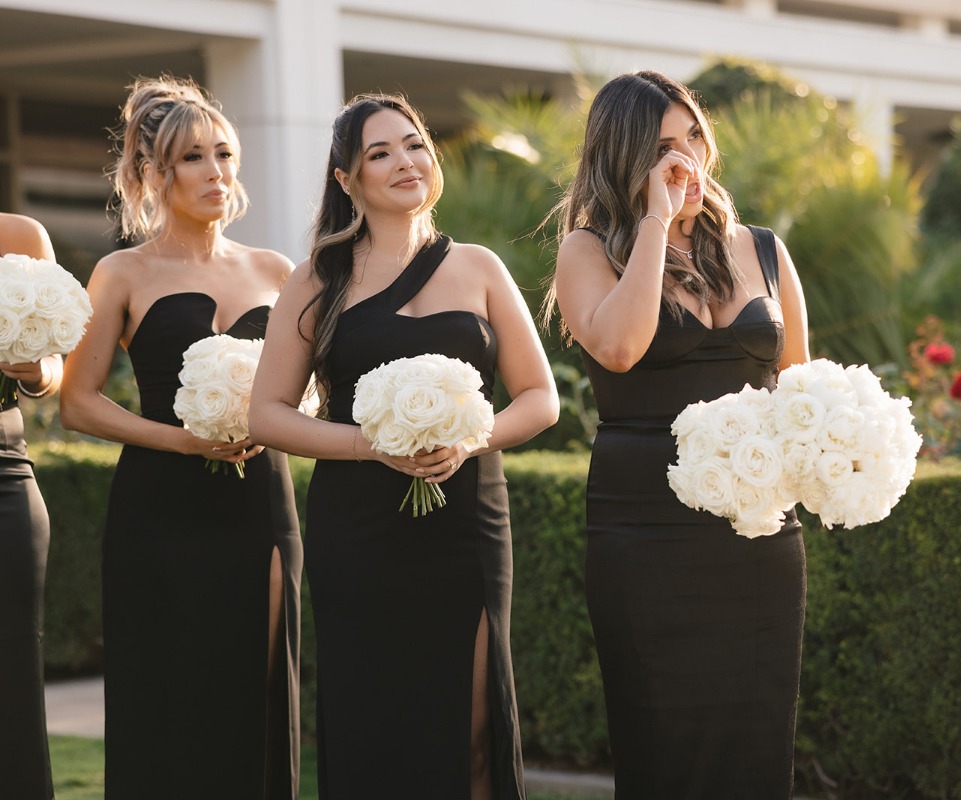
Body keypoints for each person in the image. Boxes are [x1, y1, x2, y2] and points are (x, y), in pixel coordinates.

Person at [248, 94, 557, 800]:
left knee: (474, 724)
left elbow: (542, 398)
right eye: (378, 153)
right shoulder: (316, 280)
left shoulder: (478, 267)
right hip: (358, 531)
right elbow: (267, 415)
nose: (404, 162)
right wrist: (368, 445)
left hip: (466, 523)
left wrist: (469, 435)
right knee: (372, 724)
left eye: (414, 144)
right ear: (346, 180)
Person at [547, 70, 811, 799]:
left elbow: (800, 389)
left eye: (694, 135)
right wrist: (657, 224)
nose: (687, 159)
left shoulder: (762, 250)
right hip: (647, 537)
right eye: (663, 146)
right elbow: (623, 348)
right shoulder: (588, 251)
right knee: (662, 740)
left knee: (756, 739)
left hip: (759, 536)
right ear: (623, 156)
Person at [59, 76, 302, 799]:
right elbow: (78, 401)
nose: (216, 173)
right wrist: (183, 442)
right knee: (166, 694)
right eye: (193, 158)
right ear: (150, 173)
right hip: (158, 511)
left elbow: (302, 392)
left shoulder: (276, 271)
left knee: (257, 685)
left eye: (224, 154)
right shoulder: (121, 273)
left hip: (261, 503)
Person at [0, 213, 61, 800]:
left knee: (10, 686)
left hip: (1, 474)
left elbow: (54, 366)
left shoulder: (18, 236)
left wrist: (39, 370)